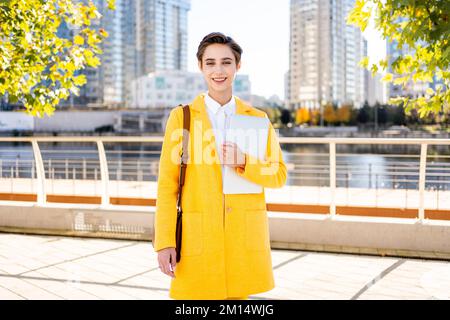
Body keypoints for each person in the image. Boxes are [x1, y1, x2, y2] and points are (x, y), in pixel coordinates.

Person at [153, 32, 287, 300]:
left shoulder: (257, 119)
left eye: (226, 62)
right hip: (197, 238)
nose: (218, 70)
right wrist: (165, 241)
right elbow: (167, 185)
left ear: (238, 66)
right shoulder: (182, 118)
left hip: (242, 242)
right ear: (201, 67)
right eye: (210, 63)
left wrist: (244, 161)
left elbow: (278, 174)